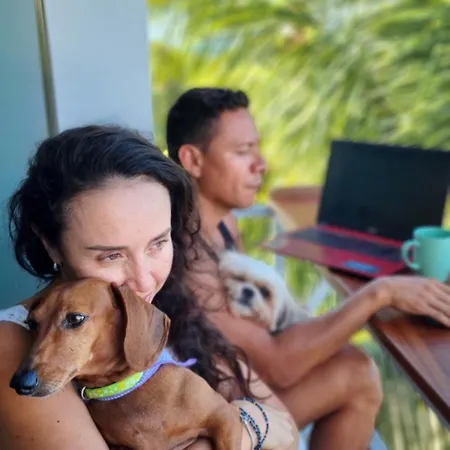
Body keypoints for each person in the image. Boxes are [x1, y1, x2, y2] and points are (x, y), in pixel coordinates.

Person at [166, 87, 450, 449]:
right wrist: (380, 293)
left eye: (257, 148)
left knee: (355, 366)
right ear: (193, 160)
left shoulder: (223, 224)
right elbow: (278, 367)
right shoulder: (190, 259)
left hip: (248, 391)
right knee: (358, 374)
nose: (261, 164)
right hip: (223, 425)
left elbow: (258, 342)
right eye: (242, 151)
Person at [0, 125, 298, 450]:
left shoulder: (168, 306)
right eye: (111, 255)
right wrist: (244, 425)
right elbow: (268, 425)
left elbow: (287, 428)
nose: (144, 280)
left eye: (158, 243)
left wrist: (243, 421)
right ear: (51, 244)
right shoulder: (13, 345)